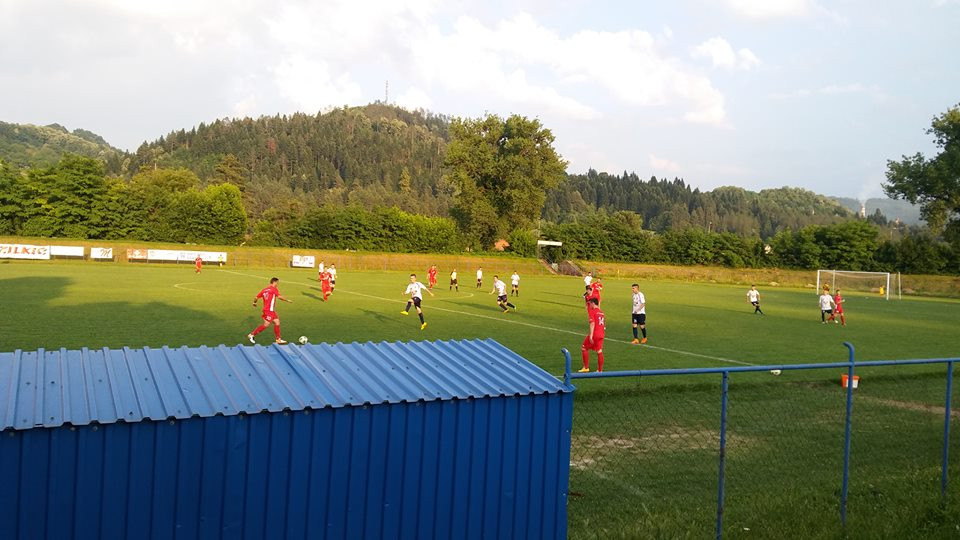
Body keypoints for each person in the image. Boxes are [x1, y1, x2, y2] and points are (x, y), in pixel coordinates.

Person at [248, 277, 293, 345]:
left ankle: (278, 339)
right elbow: (279, 297)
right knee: (266, 325)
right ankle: (251, 334)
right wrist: (287, 300)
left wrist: (254, 303)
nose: (278, 284)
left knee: (277, 322)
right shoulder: (274, 289)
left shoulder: (264, 290)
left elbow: (256, 297)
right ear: (274, 282)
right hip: (269, 311)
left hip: (270, 310)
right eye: (277, 283)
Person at [579, 297, 606, 373]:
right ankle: (600, 370)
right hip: (601, 334)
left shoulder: (592, 311)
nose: (589, 305)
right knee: (599, 351)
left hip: (595, 333)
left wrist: (591, 335)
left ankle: (586, 367)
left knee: (584, 348)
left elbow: (592, 323)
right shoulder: (601, 312)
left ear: (593, 303)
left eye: (589, 303)